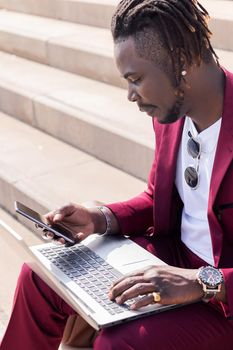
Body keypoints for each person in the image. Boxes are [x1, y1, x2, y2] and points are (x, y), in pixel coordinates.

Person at [1, 0, 233, 349]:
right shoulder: (170, 114)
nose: (130, 95)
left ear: (179, 61)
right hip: (171, 259)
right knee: (40, 278)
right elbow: (158, 199)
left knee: (119, 342)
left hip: (222, 300)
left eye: (136, 79)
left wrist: (201, 282)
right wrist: (100, 218)